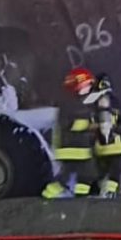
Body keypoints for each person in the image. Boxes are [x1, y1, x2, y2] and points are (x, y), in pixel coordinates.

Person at [42, 67, 98, 199]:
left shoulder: (82, 103)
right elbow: (67, 125)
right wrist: (89, 125)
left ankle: (80, 197)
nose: (89, 88)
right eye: (87, 84)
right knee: (69, 176)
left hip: (80, 149)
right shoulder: (69, 105)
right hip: (72, 149)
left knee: (84, 175)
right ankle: (48, 194)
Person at [86, 72, 121, 197]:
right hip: (117, 145)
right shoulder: (116, 101)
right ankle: (116, 192)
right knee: (115, 170)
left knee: (102, 170)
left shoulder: (91, 100)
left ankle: (107, 192)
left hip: (100, 146)